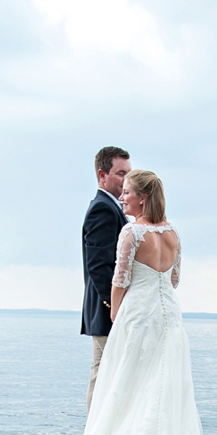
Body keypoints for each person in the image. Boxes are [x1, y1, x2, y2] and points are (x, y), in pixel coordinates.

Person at [29, 169, 217, 435]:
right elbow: (176, 279)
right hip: (170, 320)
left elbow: (119, 281)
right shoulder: (173, 234)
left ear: (143, 199)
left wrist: (118, 313)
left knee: (126, 388)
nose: (124, 199)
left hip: (138, 318)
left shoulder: (132, 234)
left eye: (129, 193)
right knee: (162, 389)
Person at [81, 146, 131, 410]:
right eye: (121, 174)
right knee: (105, 373)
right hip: (106, 309)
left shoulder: (113, 208)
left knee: (103, 373)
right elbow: (99, 266)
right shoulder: (102, 209)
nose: (127, 181)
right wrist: (115, 307)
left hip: (106, 308)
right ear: (102, 175)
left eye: (129, 174)